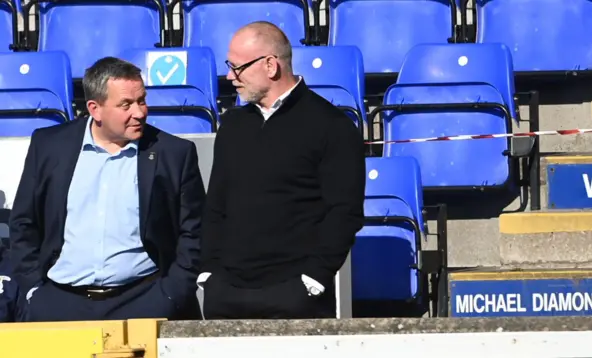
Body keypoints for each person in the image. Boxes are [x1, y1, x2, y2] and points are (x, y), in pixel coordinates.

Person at [9, 57, 205, 322]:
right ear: (95, 109)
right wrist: (34, 290)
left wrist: (170, 295)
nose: (139, 112)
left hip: (144, 301)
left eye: (141, 100)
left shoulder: (173, 153)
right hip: (59, 304)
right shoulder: (49, 146)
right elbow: (24, 222)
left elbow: (194, 231)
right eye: (126, 104)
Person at [199, 21, 366, 320]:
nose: (229, 76)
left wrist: (314, 278)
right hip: (225, 294)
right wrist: (209, 272)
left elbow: (344, 211)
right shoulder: (234, 125)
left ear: (270, 65)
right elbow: (216, 205)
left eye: (237, 67)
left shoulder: (332, 126)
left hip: (294, 295)